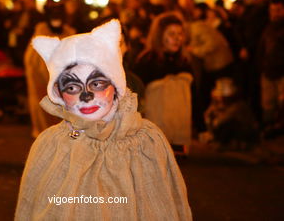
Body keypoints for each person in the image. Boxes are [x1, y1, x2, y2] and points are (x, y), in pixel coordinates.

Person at [15, 19, 192, 220]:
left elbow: (164, 205)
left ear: (115, 84)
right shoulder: (49, 144)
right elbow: (33, 207)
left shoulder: (147, 141)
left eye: (97, 83)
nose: (86, 95)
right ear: (59, 93)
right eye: (72, 87)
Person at [133, 13, 194, 155]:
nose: (177, 38)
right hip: (155, 131)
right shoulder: (147, 61)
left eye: (180, 33)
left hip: (179, 132)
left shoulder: (184, 61)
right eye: (171, 34)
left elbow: (195, 95)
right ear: (160, 36)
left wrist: (201, 127)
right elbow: (135, 94)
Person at [24, 2, 75, 138]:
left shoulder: (69, 33)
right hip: (42, 82)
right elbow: (34, 61)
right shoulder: (41, 33)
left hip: (64, 83)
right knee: (44, 111)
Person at [258, 0, 284, 135]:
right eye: (273, 10)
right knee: (268, 103)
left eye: (278, 10)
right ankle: (270, 129)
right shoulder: (268, 26)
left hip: (281, 73)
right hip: (268, 71)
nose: (275, 13)